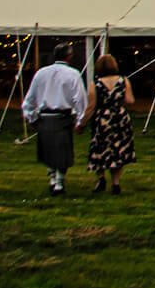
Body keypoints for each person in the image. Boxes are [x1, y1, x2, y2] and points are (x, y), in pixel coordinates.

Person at [22, 44, 87, 196]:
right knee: (61, 151)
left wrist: (31, 116)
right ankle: (58, 182)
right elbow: (79, 99)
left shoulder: (41, 73)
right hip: (62, 117)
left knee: (49, 149)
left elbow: (29, 99)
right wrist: (80, 120)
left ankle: (53, 179)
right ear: (69, 56)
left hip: (44, 117)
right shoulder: (73, 74)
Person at [83, 54, 136, 193]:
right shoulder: (124, 81)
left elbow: (91, 106)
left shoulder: (95, 84)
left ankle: (101, 178)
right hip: (120, 118)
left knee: (100, 148)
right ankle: (116, 183)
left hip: (102, 119)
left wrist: (82, 122)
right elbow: (130, 100)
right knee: (119, 149)